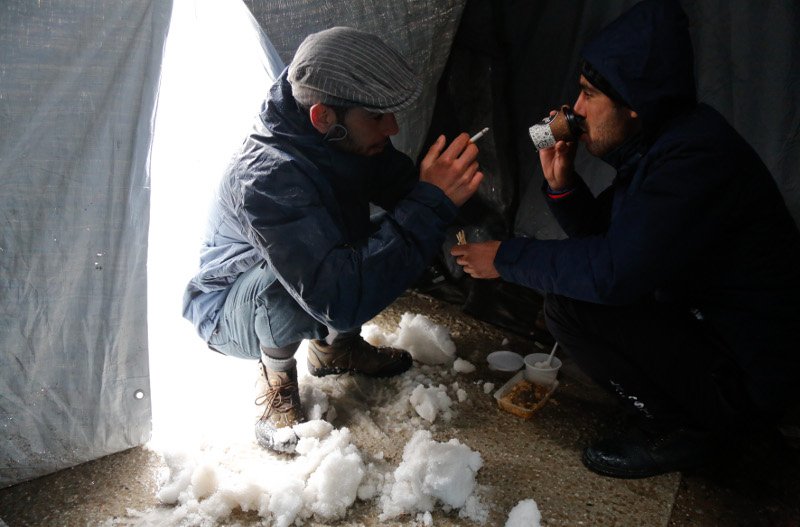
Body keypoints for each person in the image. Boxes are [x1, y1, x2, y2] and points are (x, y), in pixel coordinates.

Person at [452, 0, 800, 478]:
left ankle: (693, 431)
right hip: (712, 331)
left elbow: (614, 273)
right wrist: (562, 185)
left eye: (589, 94)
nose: (575, 110)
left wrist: (505, 258)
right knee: (577, 295)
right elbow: (618, 242)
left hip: (750, 374)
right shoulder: (665, 144)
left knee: (570, 308)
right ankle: (686, 404)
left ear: (634, 104)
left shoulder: (692, 162)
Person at [183, 27, 483, 453]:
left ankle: (334, 351)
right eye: (377, 117)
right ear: (323, 116)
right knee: (298, 281)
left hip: (306, 278)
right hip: (230, 308)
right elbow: (337, 297)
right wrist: (428, 205)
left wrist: (445, 188)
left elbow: (401, 191)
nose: (393, 127)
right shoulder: (268, 176)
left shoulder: (336, 132)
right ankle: (277, 379)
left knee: (371, 232)